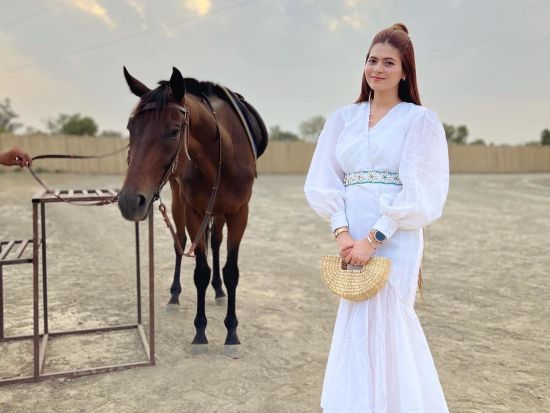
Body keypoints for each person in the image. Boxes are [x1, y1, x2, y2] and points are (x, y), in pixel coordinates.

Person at [304, 23, 450, 412]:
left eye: (389, 62)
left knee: (390, 321)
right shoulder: (342, 119)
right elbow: (323, 179)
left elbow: (420, 190)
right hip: (350, 237)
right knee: (356, 320)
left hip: (395, 237)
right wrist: (343, 233)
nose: (378, 69)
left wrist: (374, 238)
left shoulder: (419, 121)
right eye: (372, 60)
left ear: (405, 71)